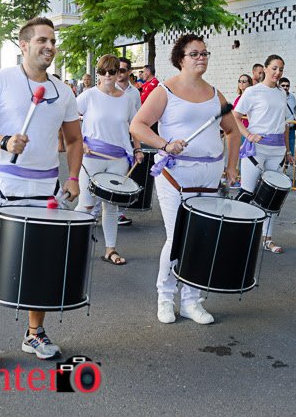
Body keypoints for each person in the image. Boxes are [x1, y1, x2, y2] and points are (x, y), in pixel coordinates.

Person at [0, 17, 82, 373]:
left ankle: (34, 333)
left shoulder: (63, 91)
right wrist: (3, 141)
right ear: (24, 45)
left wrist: (73, 177)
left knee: (40, 265)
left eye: (53, 41)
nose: (50, 46)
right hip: (4, 186)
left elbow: (75, 140)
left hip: (44, 188)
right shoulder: (0, 80)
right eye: (43, 40)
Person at [130, 34, 240, 325]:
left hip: (209, 175)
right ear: (180, 58)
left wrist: (231, 166)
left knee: (202, 239)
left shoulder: (216, 94)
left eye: (204, 53)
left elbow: (233, 131)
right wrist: (165, 144)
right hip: (175, 174)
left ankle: (193, 300)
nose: (201, 57)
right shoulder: (165, 90)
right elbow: (138, 125)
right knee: (177, 236)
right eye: (194, 53)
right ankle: (165, 298)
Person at [76, 54, 143, 266]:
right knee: (86, 205)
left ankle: (110, 250)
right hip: (91, 157)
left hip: (118, 159)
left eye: (112, 71)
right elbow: (68, 119)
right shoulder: (88, 96)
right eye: (103, 72)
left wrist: (138, 149)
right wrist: (80, 141)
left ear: (119, 73)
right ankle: (71, 244)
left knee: (111, 206)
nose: (107, 75)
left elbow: (135, 126)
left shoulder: (127, 98)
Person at [233, 55, 295, 254]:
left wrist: (288, 150)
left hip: (276, 151)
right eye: (274, 68)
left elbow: (284, 124)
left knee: (272, 196)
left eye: (281, 69)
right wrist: (248, 135)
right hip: (256, 150)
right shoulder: (252, 91)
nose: (278, 73)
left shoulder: (281, 93)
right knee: (247, 193)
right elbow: (235, 116)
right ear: (265, 69)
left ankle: (267, 238)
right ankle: (236, 234)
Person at [115, 57, 141, 226]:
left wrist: (137, 147)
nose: (117, 74)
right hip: (108, 141)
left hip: (126, 141)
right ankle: (91, 214)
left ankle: (118, 213)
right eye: (116, 70)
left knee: (123, 179)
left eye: (122, 70)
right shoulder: (106, 88)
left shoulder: (134, 93)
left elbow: (137, 120)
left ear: (129, 72)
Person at [279, 77, 296, 156]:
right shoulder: (276, 97)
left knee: (291, 149)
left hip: (291, 127)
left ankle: (288, 164)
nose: (285, 87)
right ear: (279, 86)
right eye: (283, 85)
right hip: (280, 128)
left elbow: (294, 111)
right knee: (281, 150)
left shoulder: (292, 97)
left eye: (287, 86)